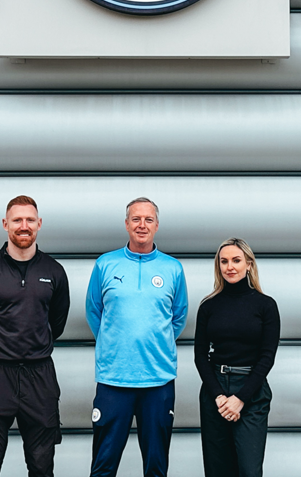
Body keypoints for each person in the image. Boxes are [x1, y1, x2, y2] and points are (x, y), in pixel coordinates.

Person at [0, 195, 70, 477]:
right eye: (17, 220)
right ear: (5, 224)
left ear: (39, 224)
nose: (24, 226)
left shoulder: (54, 272)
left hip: (39, 376)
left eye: (30, 220)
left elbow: (56, 325)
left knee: (42, 465)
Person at [86, 197, 189, 477]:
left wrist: (155, 341)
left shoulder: (173, 268)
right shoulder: (105, 264)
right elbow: (94, 312)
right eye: (136, 219)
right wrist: (115, 341)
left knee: (156, 466)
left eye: (148, 219)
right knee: (103, 465)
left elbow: (178, 316)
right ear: (126, 224)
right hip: (113, 379)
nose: (142, 225)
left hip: (158, 380)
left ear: (156, 225)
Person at [194, 238, 281, 477]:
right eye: (224, 261)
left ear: (249, 264)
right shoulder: (208, 306)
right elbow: (200, 356)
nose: (230, 266)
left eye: (236, 260)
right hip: (215, 391)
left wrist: (240, 398)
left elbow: (267, 357)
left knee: (249, 470)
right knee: (218, 470)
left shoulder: (266, 306)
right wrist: (219, 397)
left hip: (251, 391)